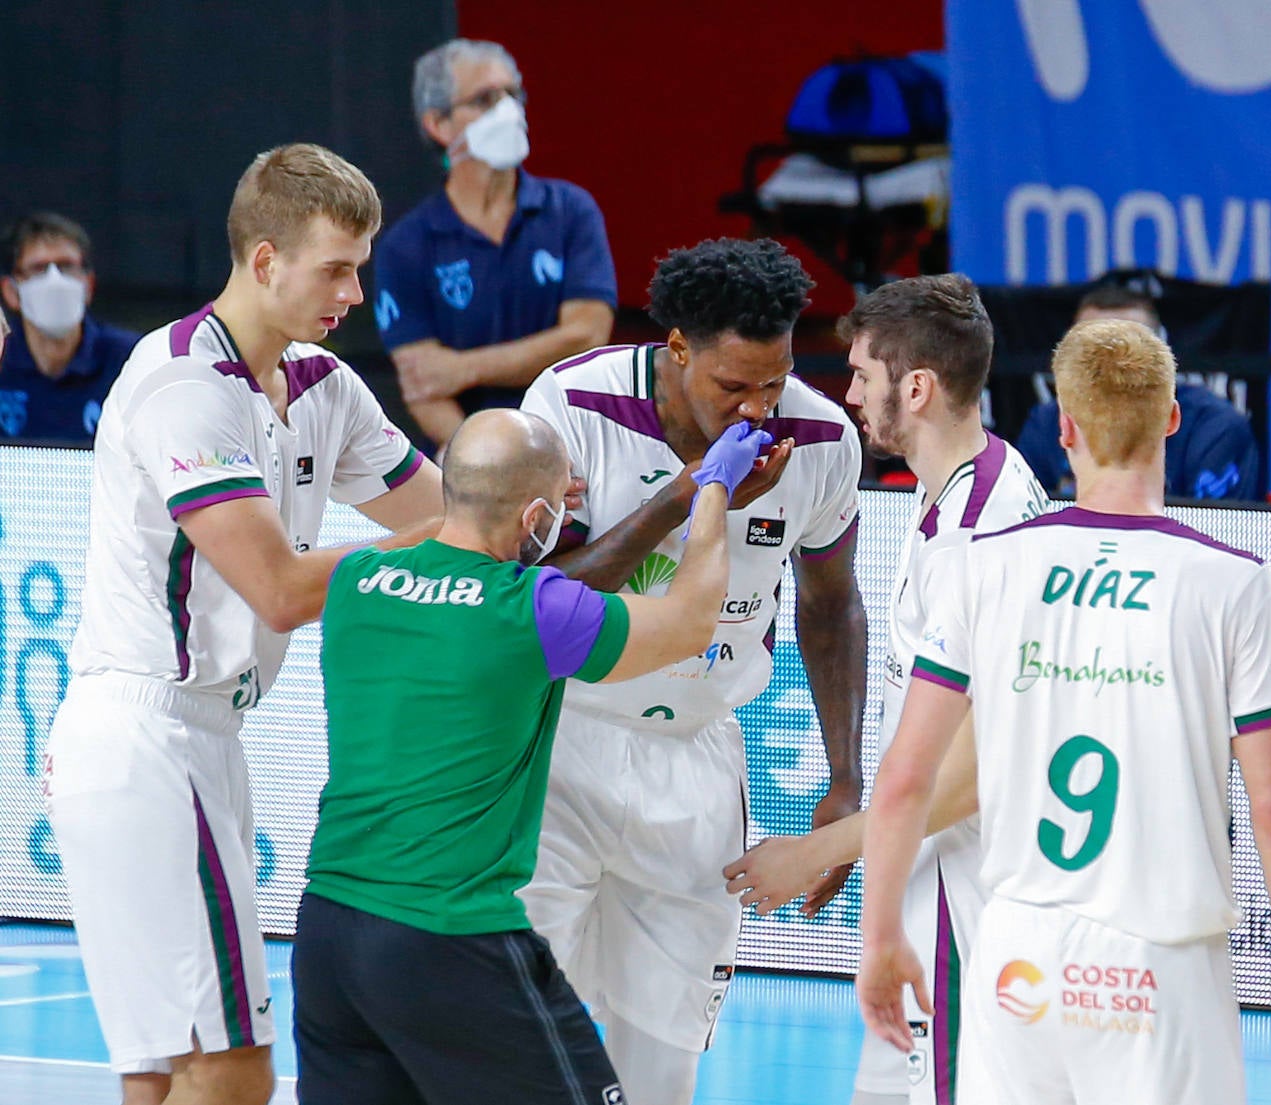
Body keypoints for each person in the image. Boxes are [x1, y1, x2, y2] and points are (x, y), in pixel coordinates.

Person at [43, 143, 445, 1105]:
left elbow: (440, 513)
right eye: (336, 267)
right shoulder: (183, 381)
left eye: (363, 263)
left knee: (162, 1074)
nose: (356, 291)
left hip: (192, 739)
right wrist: (455, 535)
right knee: (232, 1071)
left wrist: (525, 504)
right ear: (265, 262)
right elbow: (278, 587)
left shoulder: (323, 385)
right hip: (150, 735)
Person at [859, 318, 1271, 1105]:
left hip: (1016, 960)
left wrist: (879, 938)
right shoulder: (1233, 583)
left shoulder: (984, 565)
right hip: (1161, 966)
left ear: (1066, 427)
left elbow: (906, 778)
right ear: (1173, 418)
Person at [293, 408, 767, 1105]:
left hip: (330, 932)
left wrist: (512, 496)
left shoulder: (356, 582)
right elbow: (693, 621)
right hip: (453, 937)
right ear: (540, 514)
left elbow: (454, 531)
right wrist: (713, 491)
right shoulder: (530, 611)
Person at [517, 236, 867, 1105]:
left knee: (663, 1070)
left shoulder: (820, 439)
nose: (756, 408)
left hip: (698, 759)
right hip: (560, 745)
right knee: (514, 1041)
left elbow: (831, 607)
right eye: (731, 386)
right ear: (677, 348)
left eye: (774, 380)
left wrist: (846, 777)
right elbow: (540, 601)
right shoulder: (571, 402)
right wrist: (692, 494)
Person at [722, 274, 1047, 1105]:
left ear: (917, 388)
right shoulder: (960, 489)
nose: (851, 393)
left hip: (973, 904)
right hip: (927, 886)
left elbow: (970, 777)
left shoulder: (984, 531)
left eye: (863, 374)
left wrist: (811, 852)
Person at [374, 38, 617, 452]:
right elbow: (425, 383)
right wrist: (492, 459)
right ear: (439, 124)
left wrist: (463, 368)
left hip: (577, 445)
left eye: (513, 94)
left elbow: (586, 337)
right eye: (486, 99)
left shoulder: (570, 211)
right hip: (474, 457)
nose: (509, 110)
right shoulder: (407, 246)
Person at [1016, 272, 1260, 501]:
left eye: (1132, 350)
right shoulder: (1045, 423)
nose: (1113, 367)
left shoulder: (1217, 428)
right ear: (1066, 429)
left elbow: (1218, 534)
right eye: (1093, 354)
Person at [0, 212, 139, 443]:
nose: (54, 281)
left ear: (88, 285)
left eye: (66, 267)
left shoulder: (130, 358)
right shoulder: (2, 357)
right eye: (38, 268)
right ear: (11, 291)